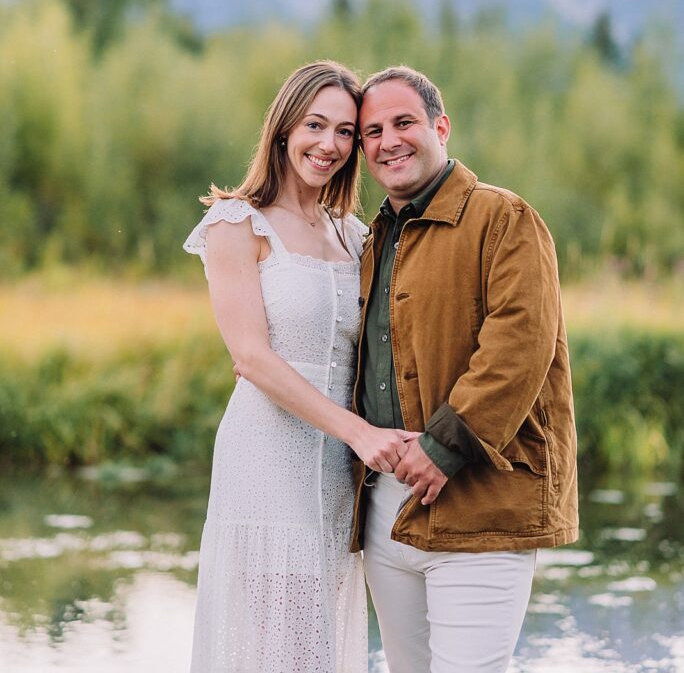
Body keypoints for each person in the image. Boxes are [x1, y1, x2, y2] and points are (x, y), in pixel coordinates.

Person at [182, 60, 417, 673]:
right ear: (284, 128)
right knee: (283, 649)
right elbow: (252, 357)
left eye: (346, 132)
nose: (330, 145)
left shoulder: (353, 233)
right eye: (316, 125)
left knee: (319, 645)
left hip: (340, 474)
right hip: (268, 459)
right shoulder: (238, 224)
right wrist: (359, 433)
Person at [352, 65, 579, 673]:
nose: (388, 140)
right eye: (372, 131)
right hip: (384, 508)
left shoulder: (503, 218)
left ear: (441, 127)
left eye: (404, 122)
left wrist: (444, 446)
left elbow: (519, 347)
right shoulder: (374, 238)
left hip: (482, 499)